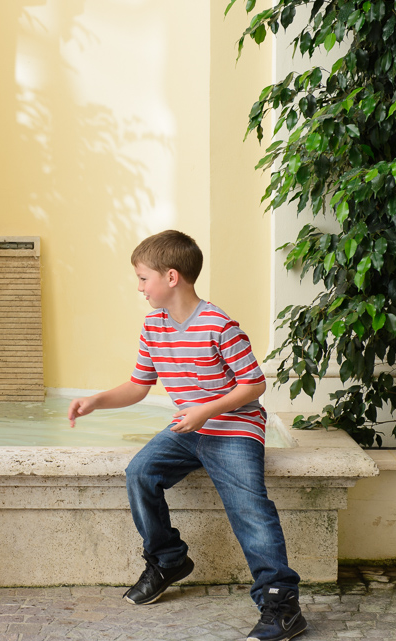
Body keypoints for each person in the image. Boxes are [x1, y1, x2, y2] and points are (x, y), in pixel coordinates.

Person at [67, 231, 307, 641]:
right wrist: (96, 401)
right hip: (187, 428)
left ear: (171, 277)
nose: (140, 288)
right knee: (140, 473)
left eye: (143, 278)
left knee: (249, 508)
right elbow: (139, 386)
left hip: (234, 429)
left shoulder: (219, 324)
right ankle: (168, 560)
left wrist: (204, 411)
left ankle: (282, 605)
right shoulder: (153, 325)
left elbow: (253, 384)